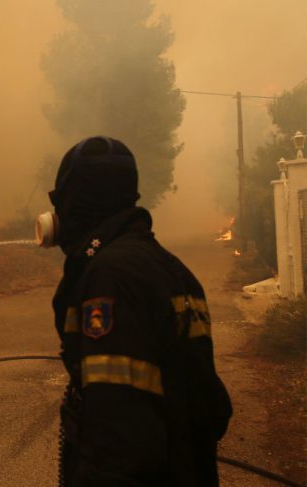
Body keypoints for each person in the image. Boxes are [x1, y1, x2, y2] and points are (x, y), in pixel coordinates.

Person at [46, 136, 232, 485]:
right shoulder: (172, 269)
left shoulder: (110, 278)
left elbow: (118, 437)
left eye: (62, 201)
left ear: (77, 202)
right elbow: (213, 408)